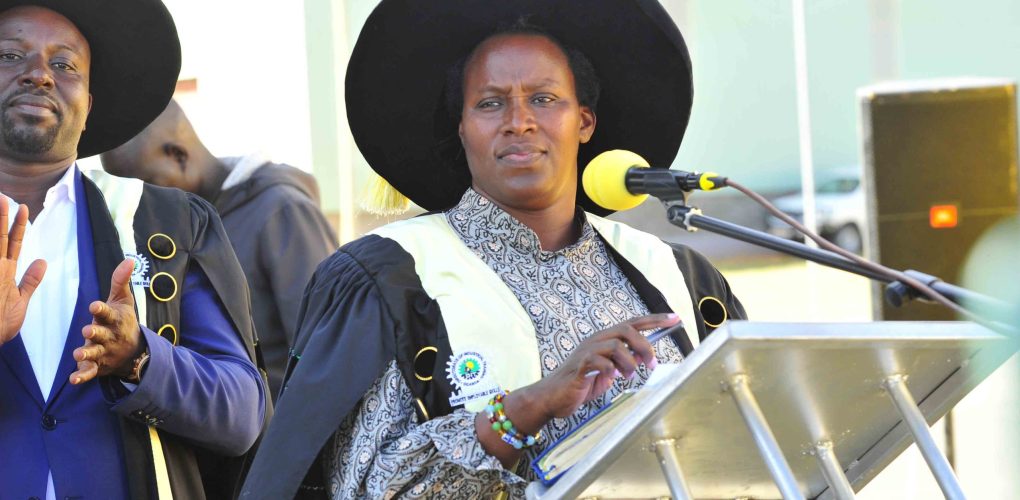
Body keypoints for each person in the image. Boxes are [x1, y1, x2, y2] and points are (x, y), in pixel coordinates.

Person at [242, 1, 744, 498]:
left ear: (585, 122)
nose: (519, 121)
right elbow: (371, 487)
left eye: (544, 99)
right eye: (490, 103)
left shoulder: (677, 276)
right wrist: (528, 408)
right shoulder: (393, 279)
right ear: (461, 128)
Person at [0, 1, 268, 498]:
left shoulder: (165, 223)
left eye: (64, 65)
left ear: (89, 102)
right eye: (10, 56)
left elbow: (242, 416)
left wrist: (140, 358)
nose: (39, 75)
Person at [101, 99, 338, 399]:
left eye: (149, 185)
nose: (141, 204)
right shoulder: (182, 230)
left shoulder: (281, 211)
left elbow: (326, 343)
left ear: (178, 155)